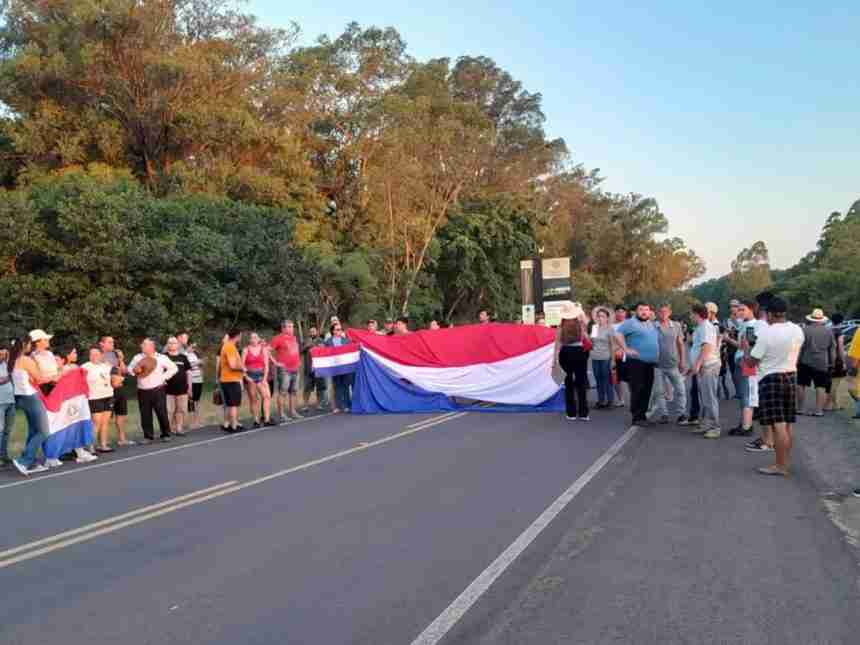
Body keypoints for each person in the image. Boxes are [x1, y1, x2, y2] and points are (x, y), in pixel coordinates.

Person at [747, 297, 804, 476]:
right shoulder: (796, 330)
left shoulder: (766, 333)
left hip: (771, 378)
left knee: (777, 425)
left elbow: (752, 361)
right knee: (787, 424)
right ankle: (785, 462)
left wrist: (747, 348)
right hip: (791, 375)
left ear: (770, 314)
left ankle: (780, 466)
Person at [9, 336, 53, 476]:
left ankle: (31, 462)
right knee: (44, 431)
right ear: (25, 345)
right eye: (29, 343)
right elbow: (40, 379)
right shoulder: (25, 360)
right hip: (30, 397)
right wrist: (56, 376)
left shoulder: (12, 360)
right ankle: (24, 461)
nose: (31, 346)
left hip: (20, 397)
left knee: (34, 430)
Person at [614, 303, 659, 428]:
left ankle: (642, 416)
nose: (644, 312)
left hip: (650, 363)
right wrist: (625, 348)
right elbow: (618, 334)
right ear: (636, 311)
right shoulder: (630, 322)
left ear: (650, 311)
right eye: (641, 309)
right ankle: (636, 417)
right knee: (637, 389)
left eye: (646, 309)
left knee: (647, 389)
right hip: (636, 362)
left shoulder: (651, 323)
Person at [728, 300, 768, 437]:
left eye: (742, 309)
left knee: (747, 393)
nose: (739, 312)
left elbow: (748, 346)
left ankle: (746, 426)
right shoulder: (745, 324)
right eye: (738, 309)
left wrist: (745, 357)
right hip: (743, 361)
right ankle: (745, 422)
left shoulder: (752, 326)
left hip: (747, 362)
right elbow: (742, 345)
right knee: (744, 393)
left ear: (751, 310)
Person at [128, 338, 178, 443]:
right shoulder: (137, 357)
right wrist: (134, 371)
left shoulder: (161, 358)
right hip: (142, 390)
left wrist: (163, 377)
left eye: (144, 345)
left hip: (158, 389)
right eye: (142, 344)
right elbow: (129, 369)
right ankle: (148, 436)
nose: (141, 346)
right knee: (145, 414)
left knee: (161, 412)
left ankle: (166, 434)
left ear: (151, 347)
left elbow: (174, 368)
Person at [685, 304, 722, 438]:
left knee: (710, 397)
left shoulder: (706, 327)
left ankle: (715, 427)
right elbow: (697, 347)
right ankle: (707, 423)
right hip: (703, 366)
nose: (690, 316)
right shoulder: (701, 327)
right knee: (705, 397)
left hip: (708, 366)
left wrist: (698, 364)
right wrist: (694, 365)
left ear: (697, 314)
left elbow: (707, 347)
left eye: (691, 314)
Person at [647, 303, 688, 424]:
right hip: (657, 365)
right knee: (659, 392)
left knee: (680, 389)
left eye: (665, 312)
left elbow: (680, 344)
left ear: (670, 312)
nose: (663, 314)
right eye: (661, 312)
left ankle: (681, 413)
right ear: (658, 313)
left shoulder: (676, 326)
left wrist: (682, 361)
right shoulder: (653, 326)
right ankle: (664, 414)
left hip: (673, 364)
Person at [797, 308, 836, 417]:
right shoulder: (829, 331)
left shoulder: (805, 330)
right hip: (822, 362)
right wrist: (832, 362)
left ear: (811, 318)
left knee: (801, 384)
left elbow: (800, 347)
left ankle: (800, 408)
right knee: (821, 386)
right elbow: (832, 349)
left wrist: (797, 360)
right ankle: (819, 410)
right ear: (822, 319)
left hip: (805, 360)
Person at [555, 310, 591, 421]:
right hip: (579, 352)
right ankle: (583, 413)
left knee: (568, 383)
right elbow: (587, 338)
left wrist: (555, 359)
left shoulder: (561, 326)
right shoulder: (580, 324)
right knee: (581, 382)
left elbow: (558, 344)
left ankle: (571, 413)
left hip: (565, 352)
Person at [99, 336, 135, 447]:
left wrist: (120, 359)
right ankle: (103, 441)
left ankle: (122, 439)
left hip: (120, 388)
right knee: (105, 417)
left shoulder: (115, 354)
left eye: (113, 342)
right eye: (109, 342)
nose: (112, 344)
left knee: (121, 414)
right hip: (108, 389)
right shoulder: (98, 356)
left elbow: (124, 371)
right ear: (102, 344)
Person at [82, 346, 115, 453]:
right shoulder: (85, 367)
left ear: (101, 355)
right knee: (96, 422)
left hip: (108, 396)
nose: (94, 356)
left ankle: (103, 445)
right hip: (94, 397)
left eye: (96, 354)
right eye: (92, 354)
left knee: (105, 422)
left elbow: (115, 377)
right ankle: (90, 446)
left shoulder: (107, 366)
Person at [271, 320, 302, 422]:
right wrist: (275, 362)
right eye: (289, 327)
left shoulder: (294, 338)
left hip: (295, 368)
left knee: (294, 391)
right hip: (285, 370)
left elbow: (295, 351)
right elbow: (267, 350)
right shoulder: (277, 338)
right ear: (283, 328)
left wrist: (299, 361)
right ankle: (281, 414)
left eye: (292, 327)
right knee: (283, 392)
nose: (292, 329)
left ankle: (293, 412)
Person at [242, 332, 274, 428]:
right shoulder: (245, 350)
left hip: (260, 375)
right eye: (252, 338)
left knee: (267, 396)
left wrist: (264, 378)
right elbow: (242, 365)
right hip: (250, 375)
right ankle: (256, 420)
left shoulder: (263, 349)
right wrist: (246, 377)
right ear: (249, 340)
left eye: (255, 337)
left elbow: (266, 365)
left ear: (258, 338)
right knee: (254, 399)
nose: (254, 339)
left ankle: (267, 419)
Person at [164, 336, 193, 436]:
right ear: (167, 345)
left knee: (180, 409)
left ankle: (179, 428)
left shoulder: (183, 357)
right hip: (167, 389)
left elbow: (189, 373)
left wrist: (190, 387)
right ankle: (169, 429)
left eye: (174, 343)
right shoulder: (163, 357)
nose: (172, 345)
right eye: (170, 343)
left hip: (182, 389)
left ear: (178, 345)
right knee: (169, 410)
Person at [219, 329, 245, 433]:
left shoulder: (228, 346)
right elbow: (232, 365)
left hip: (228, 379)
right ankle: (233, 426)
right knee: (233, 404)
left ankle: (231, 424)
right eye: (240, 336)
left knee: (231, 404)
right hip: (231, 379)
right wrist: (243, 368)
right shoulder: (229, 346)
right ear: (238, 336)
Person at [590, 307, 615, 409]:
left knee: (606, 379)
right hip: (595, 357)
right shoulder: (594, 328)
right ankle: (601, 400)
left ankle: (610, 401)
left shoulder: (610, 328)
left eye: (603, 316)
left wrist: (613, 360)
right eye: (599, 316)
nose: (600, 318)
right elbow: (592, 341)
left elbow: (612, 345)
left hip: (605, 357)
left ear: (607, 318)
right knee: (598, 379)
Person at [327, 322, 353, 413]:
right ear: (333, 331)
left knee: (345, 386)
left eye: (341, 329)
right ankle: (338, 406)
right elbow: (324, 353)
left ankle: (346, 405)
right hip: (334, 368)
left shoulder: (346, 340)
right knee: (337, 386)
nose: (340, 331)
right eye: (337, 330)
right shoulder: (328, 342)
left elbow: (351, 351)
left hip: (345, 367)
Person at [301, 326, 328, 412]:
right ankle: (305, 405)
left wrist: (320, 346)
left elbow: (325, 350)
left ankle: (319, 405)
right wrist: (308, 345)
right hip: (308, 368)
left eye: (314, 331)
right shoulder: (305, 341)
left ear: (317, 332)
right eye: (311, 331)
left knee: (320, 388)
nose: (312, 333)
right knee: (307, 388)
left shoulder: (321, 340)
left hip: (319, 368)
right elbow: (300, 351)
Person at [826, 313, 847, 412]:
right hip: (837, 359)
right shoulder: (839, 332)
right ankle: (829, 404)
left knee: (831, 382)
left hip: (827, 358)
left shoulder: (828, 330)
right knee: (835, 383)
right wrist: (843, 361)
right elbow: (841, 348)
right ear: (841, 321)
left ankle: (835, 404)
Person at [29, 329, 59, 395]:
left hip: (56, 387)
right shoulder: (32, 356)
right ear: (37, 342)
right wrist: (52, 379)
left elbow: (57, 369)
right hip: (43, 389)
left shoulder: (50, 353)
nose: (48, 341)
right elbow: (35, 378)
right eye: (45, 339)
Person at [0, 345, 16, 468]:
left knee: (7, 430)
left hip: (11, 401)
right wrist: (7, 378)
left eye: (5, 354)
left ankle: (4, 456)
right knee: (0, 431)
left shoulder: (8, 365)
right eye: (1, 354)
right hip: (0, 402)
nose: (3, 356)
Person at [612, 305, 629, 408]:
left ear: (625, 313)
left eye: (622, 311)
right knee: (616, 378)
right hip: (616, 355)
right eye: (618, 311)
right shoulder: (612, 326)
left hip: (628, 355)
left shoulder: (630, 324)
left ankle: (635, 399)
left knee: (631, 378)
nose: (620, 314)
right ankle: (620, 399)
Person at [185, 342, 204, 428]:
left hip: (199, 379)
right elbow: (186, 367)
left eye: (194, 346)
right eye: (192, 346)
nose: (194, 348)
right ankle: (191, 423)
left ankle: (197, 421)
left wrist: (201, 363)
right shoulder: (184, 355)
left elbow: (201, 365)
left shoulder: (195, 354)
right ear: (188, 346)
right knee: (191, 401)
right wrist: (196, 363)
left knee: (197, 401)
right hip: (190, 380)